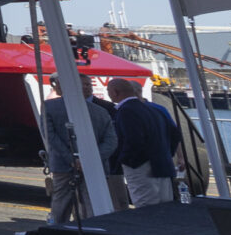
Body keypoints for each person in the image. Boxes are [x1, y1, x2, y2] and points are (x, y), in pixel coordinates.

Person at [40, 86, 117, 225]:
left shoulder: (50, 107)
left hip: (65, 165)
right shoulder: (101, 111)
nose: (88, 88)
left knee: (62, 205)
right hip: (92, 167)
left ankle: (58, 234)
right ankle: (92, 233)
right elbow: (111, 142)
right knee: (92, 204)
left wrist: (74, 159)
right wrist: (90, 160)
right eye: (86, 85)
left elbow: (50, 136)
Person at [110, 79, 185, 208]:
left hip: (140, 166)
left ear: (115, 92)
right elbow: (175, 134)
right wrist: (167, 153)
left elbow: (133, 140)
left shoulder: (126, 111)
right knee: (165, 204)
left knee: (144, 203)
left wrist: (125, 160)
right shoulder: (155, 109)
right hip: (162, 163)